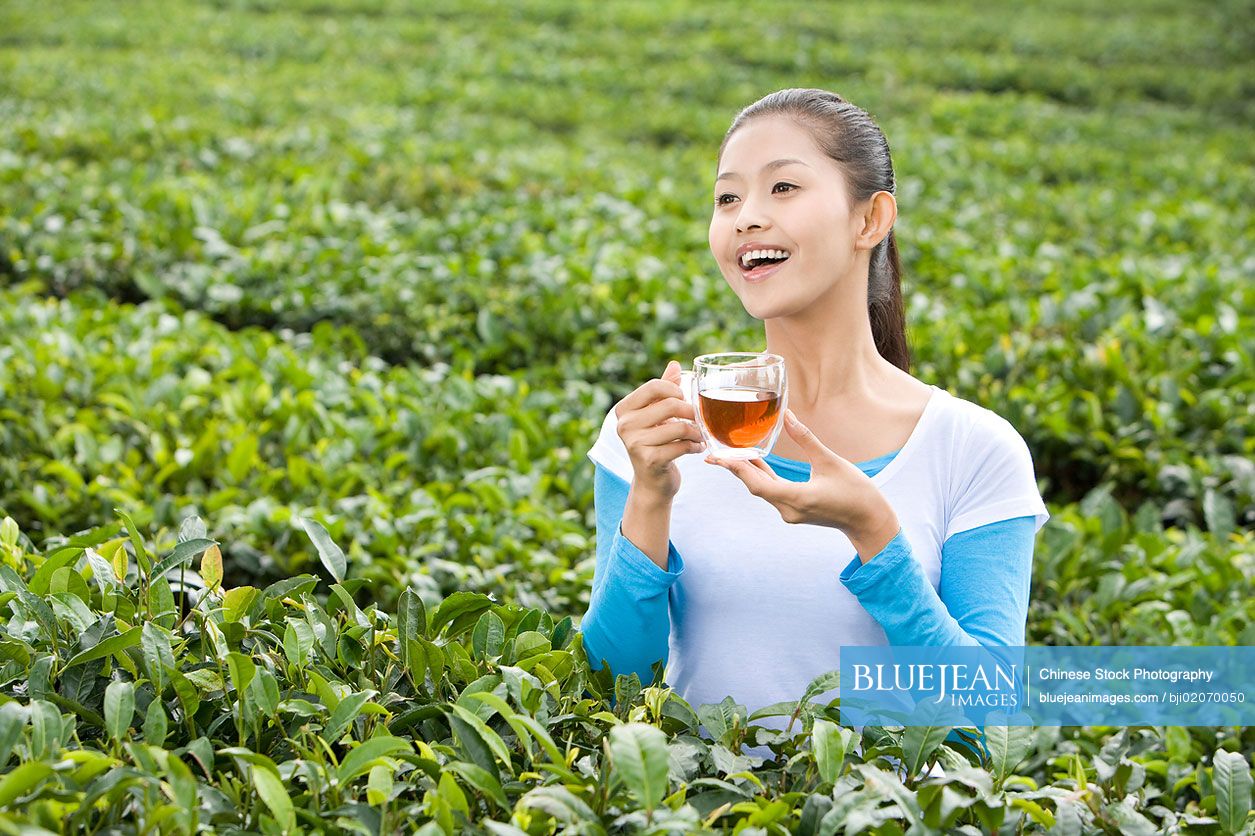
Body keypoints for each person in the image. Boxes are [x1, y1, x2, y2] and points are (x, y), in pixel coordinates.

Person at [579, 88, 1049, 760]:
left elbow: (983, 723)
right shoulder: (656, 432)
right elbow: (608, 692)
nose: (747, 218)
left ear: (869, 219)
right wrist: (650, 497)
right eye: (727, 198)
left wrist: (873, 532)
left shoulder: (972, 450)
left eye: (783, 188)